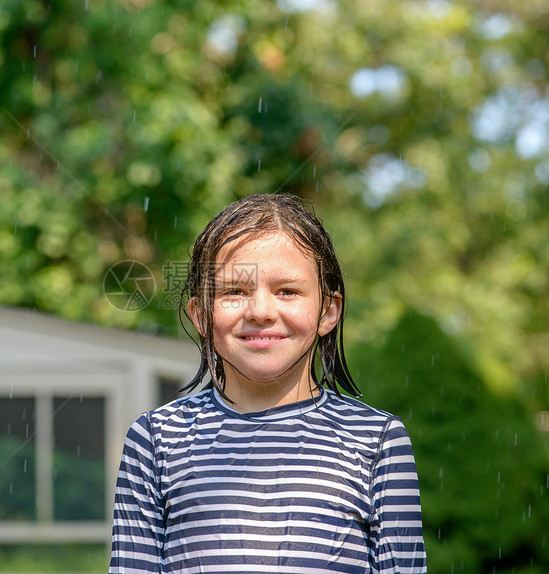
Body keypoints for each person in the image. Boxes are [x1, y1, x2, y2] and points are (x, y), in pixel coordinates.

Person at [110, 194, 426, 573]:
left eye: (287, 291)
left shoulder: (376, 440)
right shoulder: (156, 440)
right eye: (234, 292)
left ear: (328, 311)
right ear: (199, 314)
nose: (260, 311)